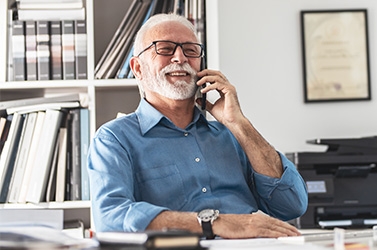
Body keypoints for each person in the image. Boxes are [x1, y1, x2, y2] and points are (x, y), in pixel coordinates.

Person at [87, 13, 308, 239]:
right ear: (138, 68)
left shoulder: (231, 135)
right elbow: (111, 216)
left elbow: (291, 205)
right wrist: (215, 223)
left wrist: (238, 123)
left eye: (190, 50)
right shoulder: (114, 139)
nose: (180, 57)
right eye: (165, 48)